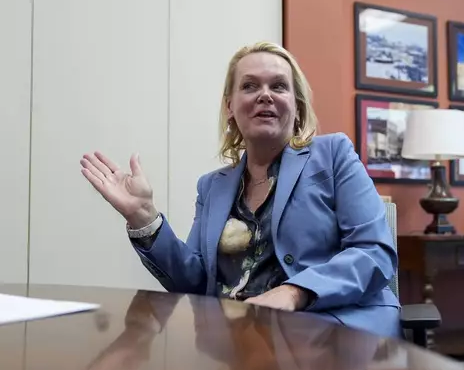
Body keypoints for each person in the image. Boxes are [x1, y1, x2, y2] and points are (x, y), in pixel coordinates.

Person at [79, 42, 401, 338]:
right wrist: (143, 217)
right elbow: (193, 280)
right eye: (249, 86)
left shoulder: (333, 156)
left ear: (297, 106)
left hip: (329, 330)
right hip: (237, 341)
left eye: (278, 86)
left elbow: (375, 252)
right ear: (230, 106)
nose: (265, 95)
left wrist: (293, 293)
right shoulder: (212, 186)